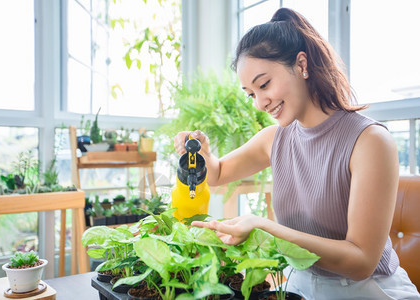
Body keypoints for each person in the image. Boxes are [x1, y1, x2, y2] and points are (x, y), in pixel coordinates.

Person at [173, 7, 420, 300]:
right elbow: (217, 174)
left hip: (366, 290)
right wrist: (203, 155)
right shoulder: (274, 138)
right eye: (251, 93)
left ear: (302, 64)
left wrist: (266, 228)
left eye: (264, 84)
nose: (259, 103)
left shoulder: (370, 141)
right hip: (298, 283)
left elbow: (361, 262)